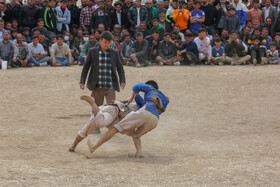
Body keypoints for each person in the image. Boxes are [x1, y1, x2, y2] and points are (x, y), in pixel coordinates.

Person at [87, 80, 169, 158]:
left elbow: (136, 87)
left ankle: (94, 147)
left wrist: (131, 98)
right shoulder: (164, 98)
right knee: (136, 135)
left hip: (146, 111)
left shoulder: (150, 88)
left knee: (115, 128)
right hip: (155, 120)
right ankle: (139, 152)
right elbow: (161, 111)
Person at [80, 31, 126, 133]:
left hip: (110, 86)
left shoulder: (114, 52)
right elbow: (86, 67)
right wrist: (82, 81)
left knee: (112, 109)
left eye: (109, 43)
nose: (107, 44)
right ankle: (96, 128)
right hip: (97, 86)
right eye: (105, 42)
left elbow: (120, 68)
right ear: (100, 41)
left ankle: (111, 128)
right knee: (97, 108)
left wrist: (122, 80)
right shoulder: (92, 51)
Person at [69, 95, 138, 152]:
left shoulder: (137, 112)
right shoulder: (139, 107)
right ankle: (92, 103)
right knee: (101, 123)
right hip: (113, 111)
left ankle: (73, 145)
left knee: (86, 129)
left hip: (104, 111)